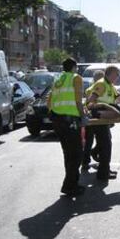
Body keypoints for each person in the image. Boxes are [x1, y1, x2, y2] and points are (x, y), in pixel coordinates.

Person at [48, 58, 87, 196]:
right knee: (76, 154)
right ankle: (69, 186)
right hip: (70, 120)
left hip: (57, 119)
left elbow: (50, 99)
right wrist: (83, 115)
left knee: (68, 153)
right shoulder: (76, 78)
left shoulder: (58, 79)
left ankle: (73, 184)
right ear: (74, 67)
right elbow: (77, 100)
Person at [86, 65, 120, 180]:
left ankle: (104, 169)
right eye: (116, 75)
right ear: (109, 74)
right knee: (106, 146)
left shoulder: (110, 85)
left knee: (105, 145)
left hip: (105, 118)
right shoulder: (101, 84)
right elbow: (91, 101)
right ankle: (103, 173)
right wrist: (101, 108)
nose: (117, 77)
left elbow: (119, 98)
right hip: (100, 117)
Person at [82, 70, 105, 170]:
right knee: (102, 140)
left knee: (89, 141)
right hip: (96, 117)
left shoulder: (89, 89)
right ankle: (95, 154)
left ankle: (86, 161)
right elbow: (90, 103)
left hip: (90, 118)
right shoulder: (99, 88)